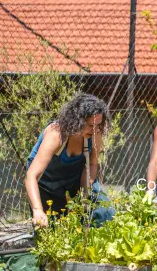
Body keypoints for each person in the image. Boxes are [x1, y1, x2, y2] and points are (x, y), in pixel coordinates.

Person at [25, 93, 110, 227]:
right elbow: (31, 176)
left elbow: (92, 163)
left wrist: (85, 196)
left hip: (74, 180)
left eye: (98, 125)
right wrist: (38, 210)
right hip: (46, 184)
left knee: (103, 212)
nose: (95, 130)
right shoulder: (56, 134)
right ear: (77, 120)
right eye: (90, 125)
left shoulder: (95, 134)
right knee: (50, 231)